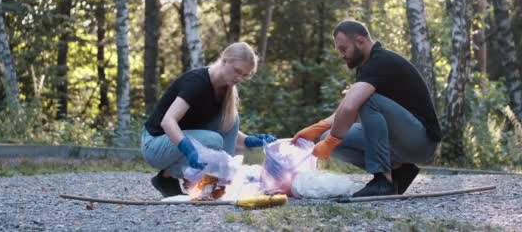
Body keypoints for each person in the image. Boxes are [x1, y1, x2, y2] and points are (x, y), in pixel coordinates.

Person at [292, 20, 442, 197]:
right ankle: (399, 172)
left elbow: (351, 106)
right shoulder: (367, 66)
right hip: (402, 140)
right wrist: (320, 128)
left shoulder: (380, 61)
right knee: (333, 138)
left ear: (360, 41)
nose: (341, 55)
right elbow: (347, 108)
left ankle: (382, 180)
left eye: (343, 48)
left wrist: (331, 141)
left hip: (421, 141)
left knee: (364, 102)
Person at [141, 42, 276, 197]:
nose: (239, 78)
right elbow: (168, 121)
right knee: (214, 140)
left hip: (173, 142)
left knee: (232, 119)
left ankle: (219, 181)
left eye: (244, 76)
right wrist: (189, 149)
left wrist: (248, 140)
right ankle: (167, 176)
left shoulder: (225, 88)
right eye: (237, 71)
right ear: (225, 60)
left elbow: (226, 129)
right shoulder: (197, 82)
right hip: (154, 144)